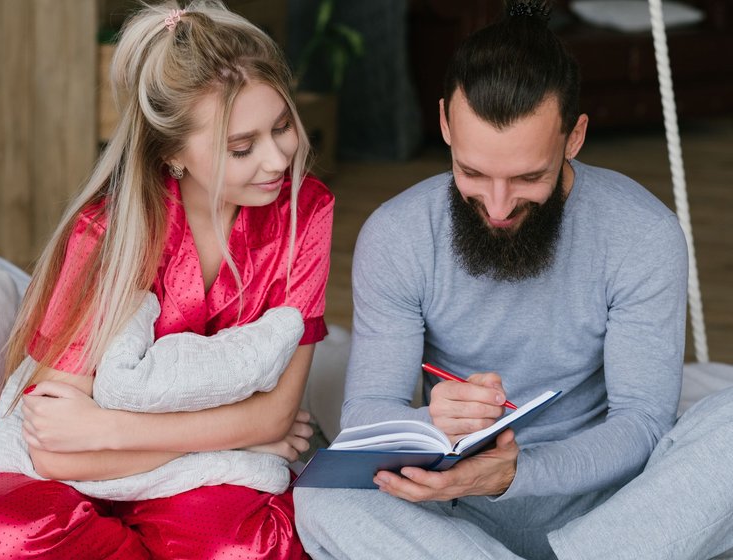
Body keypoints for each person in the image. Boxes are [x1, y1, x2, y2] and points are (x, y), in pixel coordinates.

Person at [294, 2, 733, 559]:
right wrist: (428, 420)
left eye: (528, 177)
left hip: (611, 511)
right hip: (452, 509)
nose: (498, 207)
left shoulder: (642, 233)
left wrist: (515, 473)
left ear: (574, 138)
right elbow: (367, 410)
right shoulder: (398, 234)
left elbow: (642, 424)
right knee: (321, 500)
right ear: (446, 125)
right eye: (473, 173)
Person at [0, 1, 333, 558]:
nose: (278, 159)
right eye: (243, 148)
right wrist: (245, 434)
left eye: (282, 127)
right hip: (74, 473)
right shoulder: (103, 233)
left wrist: (106, 430)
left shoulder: (306, 210)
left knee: (246, 549)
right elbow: (57, 448)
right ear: (174, 153)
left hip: (158, 468)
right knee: (3, 539)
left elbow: (276, 413)